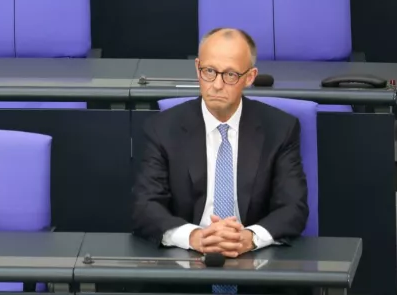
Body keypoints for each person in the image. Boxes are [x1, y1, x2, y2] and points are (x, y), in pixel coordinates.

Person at [131, 27, 308, 294]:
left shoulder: (280, 129)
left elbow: (293, 207)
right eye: (209, 71)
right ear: (197, 68)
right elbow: (144, 206)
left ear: (250, 77)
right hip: (184, 268)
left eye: (230, 75)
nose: (216, 84)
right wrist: (195, 237)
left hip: (257, 268)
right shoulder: (162, 128)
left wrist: (248, 238)